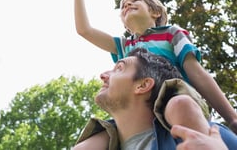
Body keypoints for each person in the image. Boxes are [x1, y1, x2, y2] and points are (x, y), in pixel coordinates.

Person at [65, 0, 237, 146]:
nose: (127, 5)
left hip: (173, 96)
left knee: (179, 106)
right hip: (136, 112)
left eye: (135, 0)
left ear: (155, 12)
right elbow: (84, 30)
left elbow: (197, 73)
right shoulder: (125, 46)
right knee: (88, 144)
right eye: (123, 6)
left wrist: (231, 117)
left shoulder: (171, 34)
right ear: (125, 24)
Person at [73, 48, 237, 150]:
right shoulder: (94, 144)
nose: (103, 75)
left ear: (143, 85)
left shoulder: (207, 136)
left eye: (119, 68)